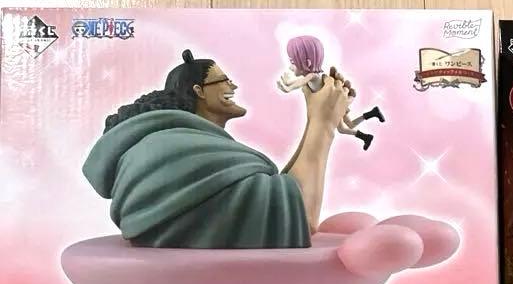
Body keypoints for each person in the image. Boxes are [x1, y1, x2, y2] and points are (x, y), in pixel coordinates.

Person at [83, 49, 355, 247]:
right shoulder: (175, 150)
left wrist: (316, 114)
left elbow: (280, 195)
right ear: (199, 91)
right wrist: (324, 123)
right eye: (223, 80)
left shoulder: (185, 147)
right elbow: (299, 218)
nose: (232, 85)